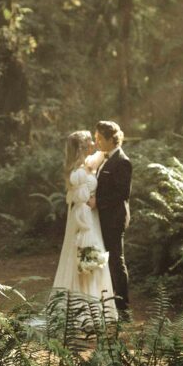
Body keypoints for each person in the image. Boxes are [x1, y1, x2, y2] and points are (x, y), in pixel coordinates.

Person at [52, 130, 117, 318]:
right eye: (90, 142)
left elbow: (103, 155)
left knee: (92, 262)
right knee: (87, 260)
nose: (94, 144)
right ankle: (85, 310)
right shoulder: (78, 172)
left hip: (90, 216)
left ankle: (94, 304)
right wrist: (85, 226)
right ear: (83, 146)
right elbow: (80, 198)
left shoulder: (86, 164)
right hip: (84, 219)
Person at [91, 120, 132, 313]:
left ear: (111, 139)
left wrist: (98, 202)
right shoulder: (104, 158)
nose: (96, 141)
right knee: (104, 260)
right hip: (102, 218)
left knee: (116, 261)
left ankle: (123, 307)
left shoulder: (122, 161)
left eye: (99, 138)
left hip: (114, 219)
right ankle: (107, 301)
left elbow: (122, 193)